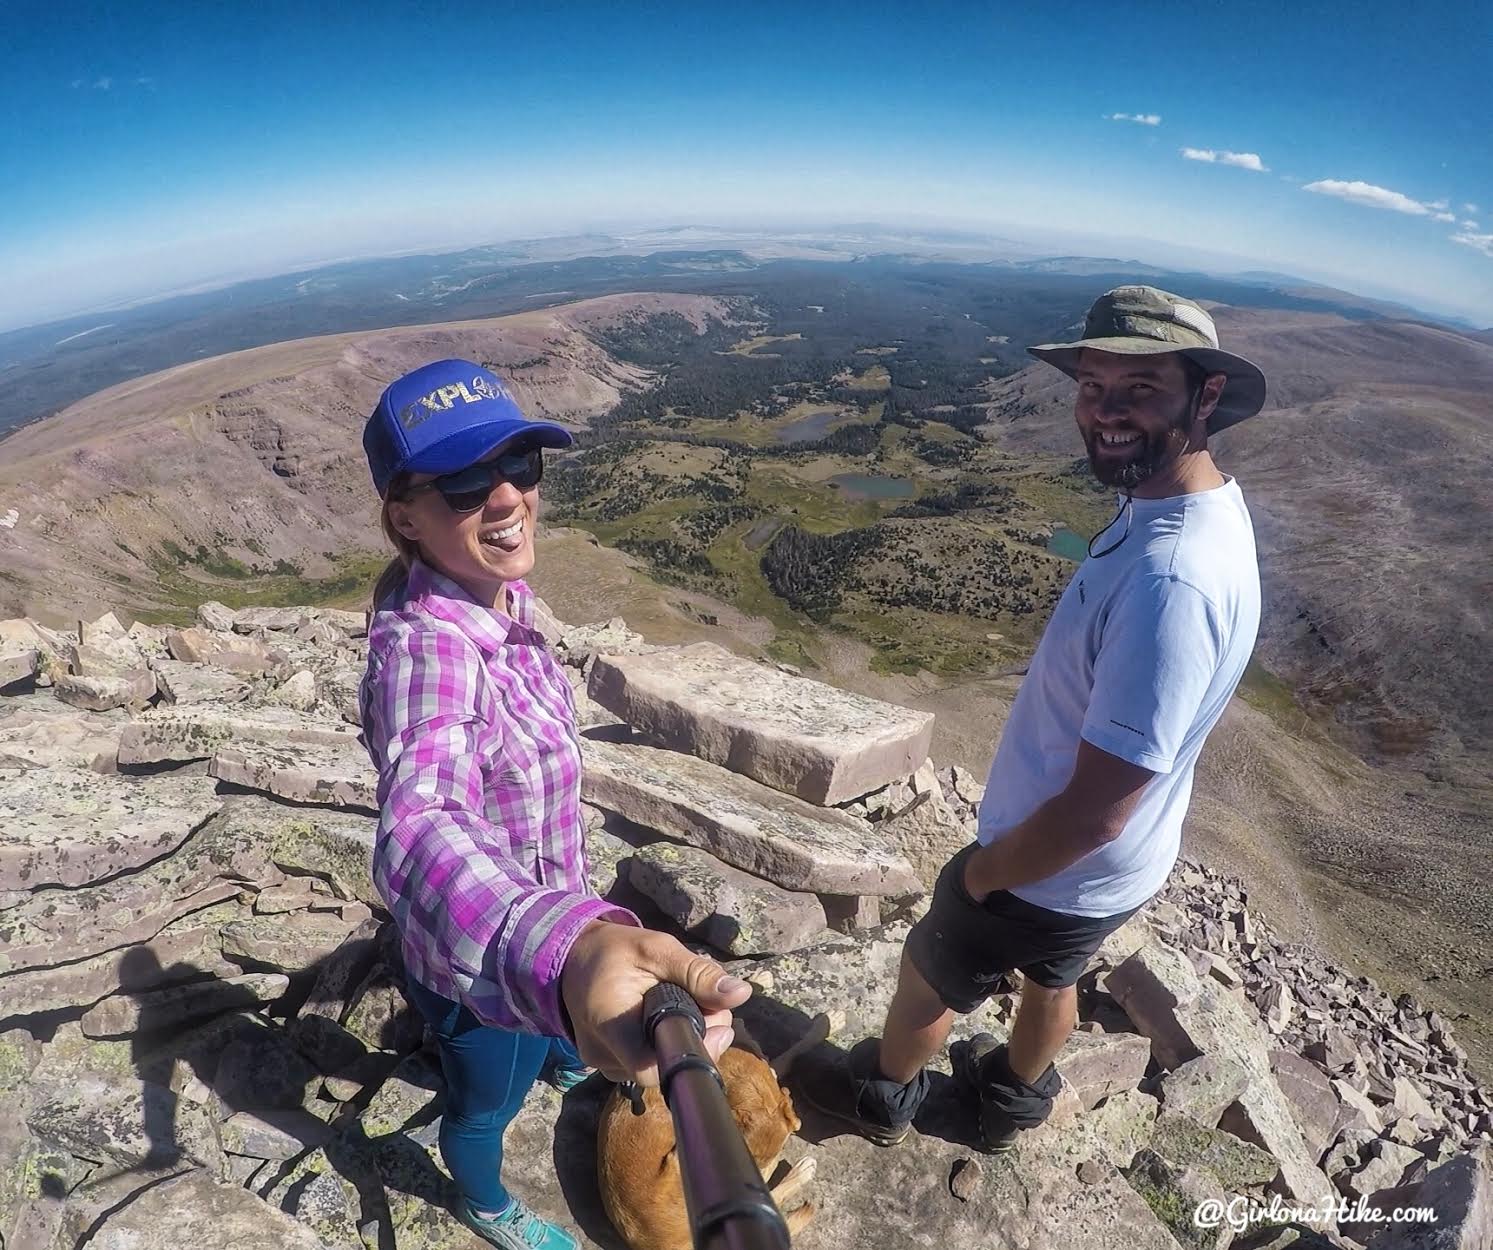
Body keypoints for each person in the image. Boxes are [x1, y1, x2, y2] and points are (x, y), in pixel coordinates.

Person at [800, 285, 1265, 1154]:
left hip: (1051, 860)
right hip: (1107, 874)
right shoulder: (1194, 506)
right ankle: (1011, 1102)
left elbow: (1094, 812)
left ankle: (878, 1096)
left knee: (928, 977)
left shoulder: (1173, 579)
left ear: (1205, 395)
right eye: (1092, 387)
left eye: (1140, 389)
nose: (1106, 413)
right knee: (1055, 974)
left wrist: (983, 877)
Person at [358, 359, 751, 1250]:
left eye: (522, 466)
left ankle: (566, 1050)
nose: (505, 498)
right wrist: (568, 949)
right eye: (463, 482)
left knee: (557, 1050)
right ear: (405, 517)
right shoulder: (430, 653)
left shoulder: (506, 602)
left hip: (544, 926)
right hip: (480, 973)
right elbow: (420, 823)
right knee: (484, 1100)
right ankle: (485, 1203)